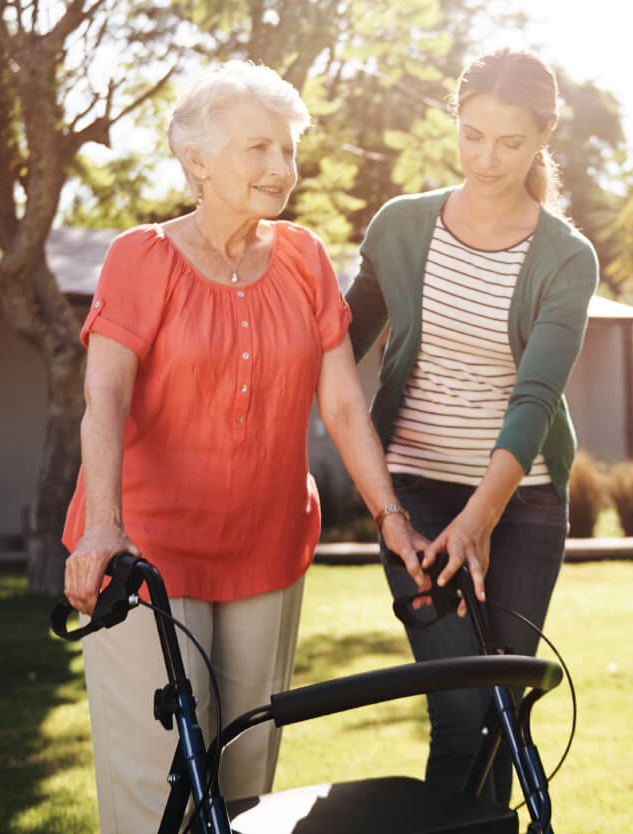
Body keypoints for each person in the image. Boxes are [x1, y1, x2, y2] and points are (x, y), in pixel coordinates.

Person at [62, 61, 427, 834]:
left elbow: (342, 403)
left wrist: (391, 516)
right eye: (257, 148)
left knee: (248, 774)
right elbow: (106, 396)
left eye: (288, 150)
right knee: (155, 781)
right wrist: (102, 526)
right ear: (197, 161)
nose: (280, 168)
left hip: (266, 545)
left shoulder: (303, 258)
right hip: (145, 549)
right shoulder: (143, 258)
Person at [346, 48, 598, 804]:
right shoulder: (400, 227)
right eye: (472, 134)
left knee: (502, 715)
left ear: (544, 136)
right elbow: (330, 348)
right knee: (460, 710)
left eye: (511, 142)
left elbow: (535, 397)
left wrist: (481, 517)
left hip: (521, 506)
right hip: (414, 493)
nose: (487, 158)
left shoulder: (565, 257)